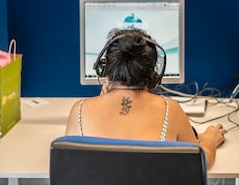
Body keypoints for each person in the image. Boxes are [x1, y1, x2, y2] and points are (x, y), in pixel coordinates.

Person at [65, 28, 226, 169]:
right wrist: (209, 140)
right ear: (153, 75)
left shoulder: (80, 110)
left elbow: (68, 163)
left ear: (104, 69)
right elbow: (201, 161)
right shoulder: (170, 109)